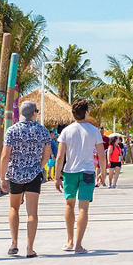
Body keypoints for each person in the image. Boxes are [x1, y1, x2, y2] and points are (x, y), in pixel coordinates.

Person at [0, 100, 53, 258]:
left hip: (15, 174)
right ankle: (29, 248)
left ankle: (14, 243)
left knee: (14, 208)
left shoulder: (12, 130)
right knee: (32, 213)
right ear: (34, 113)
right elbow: (47, 152)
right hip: (33, 175)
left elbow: (4, 156)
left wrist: (2, 177)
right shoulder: (42, 131)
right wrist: (40, 167)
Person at [54, 98, 106, 254]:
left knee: (69, 205)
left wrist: (57, 177)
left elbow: (60, 157)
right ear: (87, 112)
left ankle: (69, 241)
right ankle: (78, 244)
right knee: (83, 208)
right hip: (88, 172)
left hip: (70, 172)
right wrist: (103, 172)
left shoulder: (66, 131)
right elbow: (102, 155)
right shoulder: (94, 130)